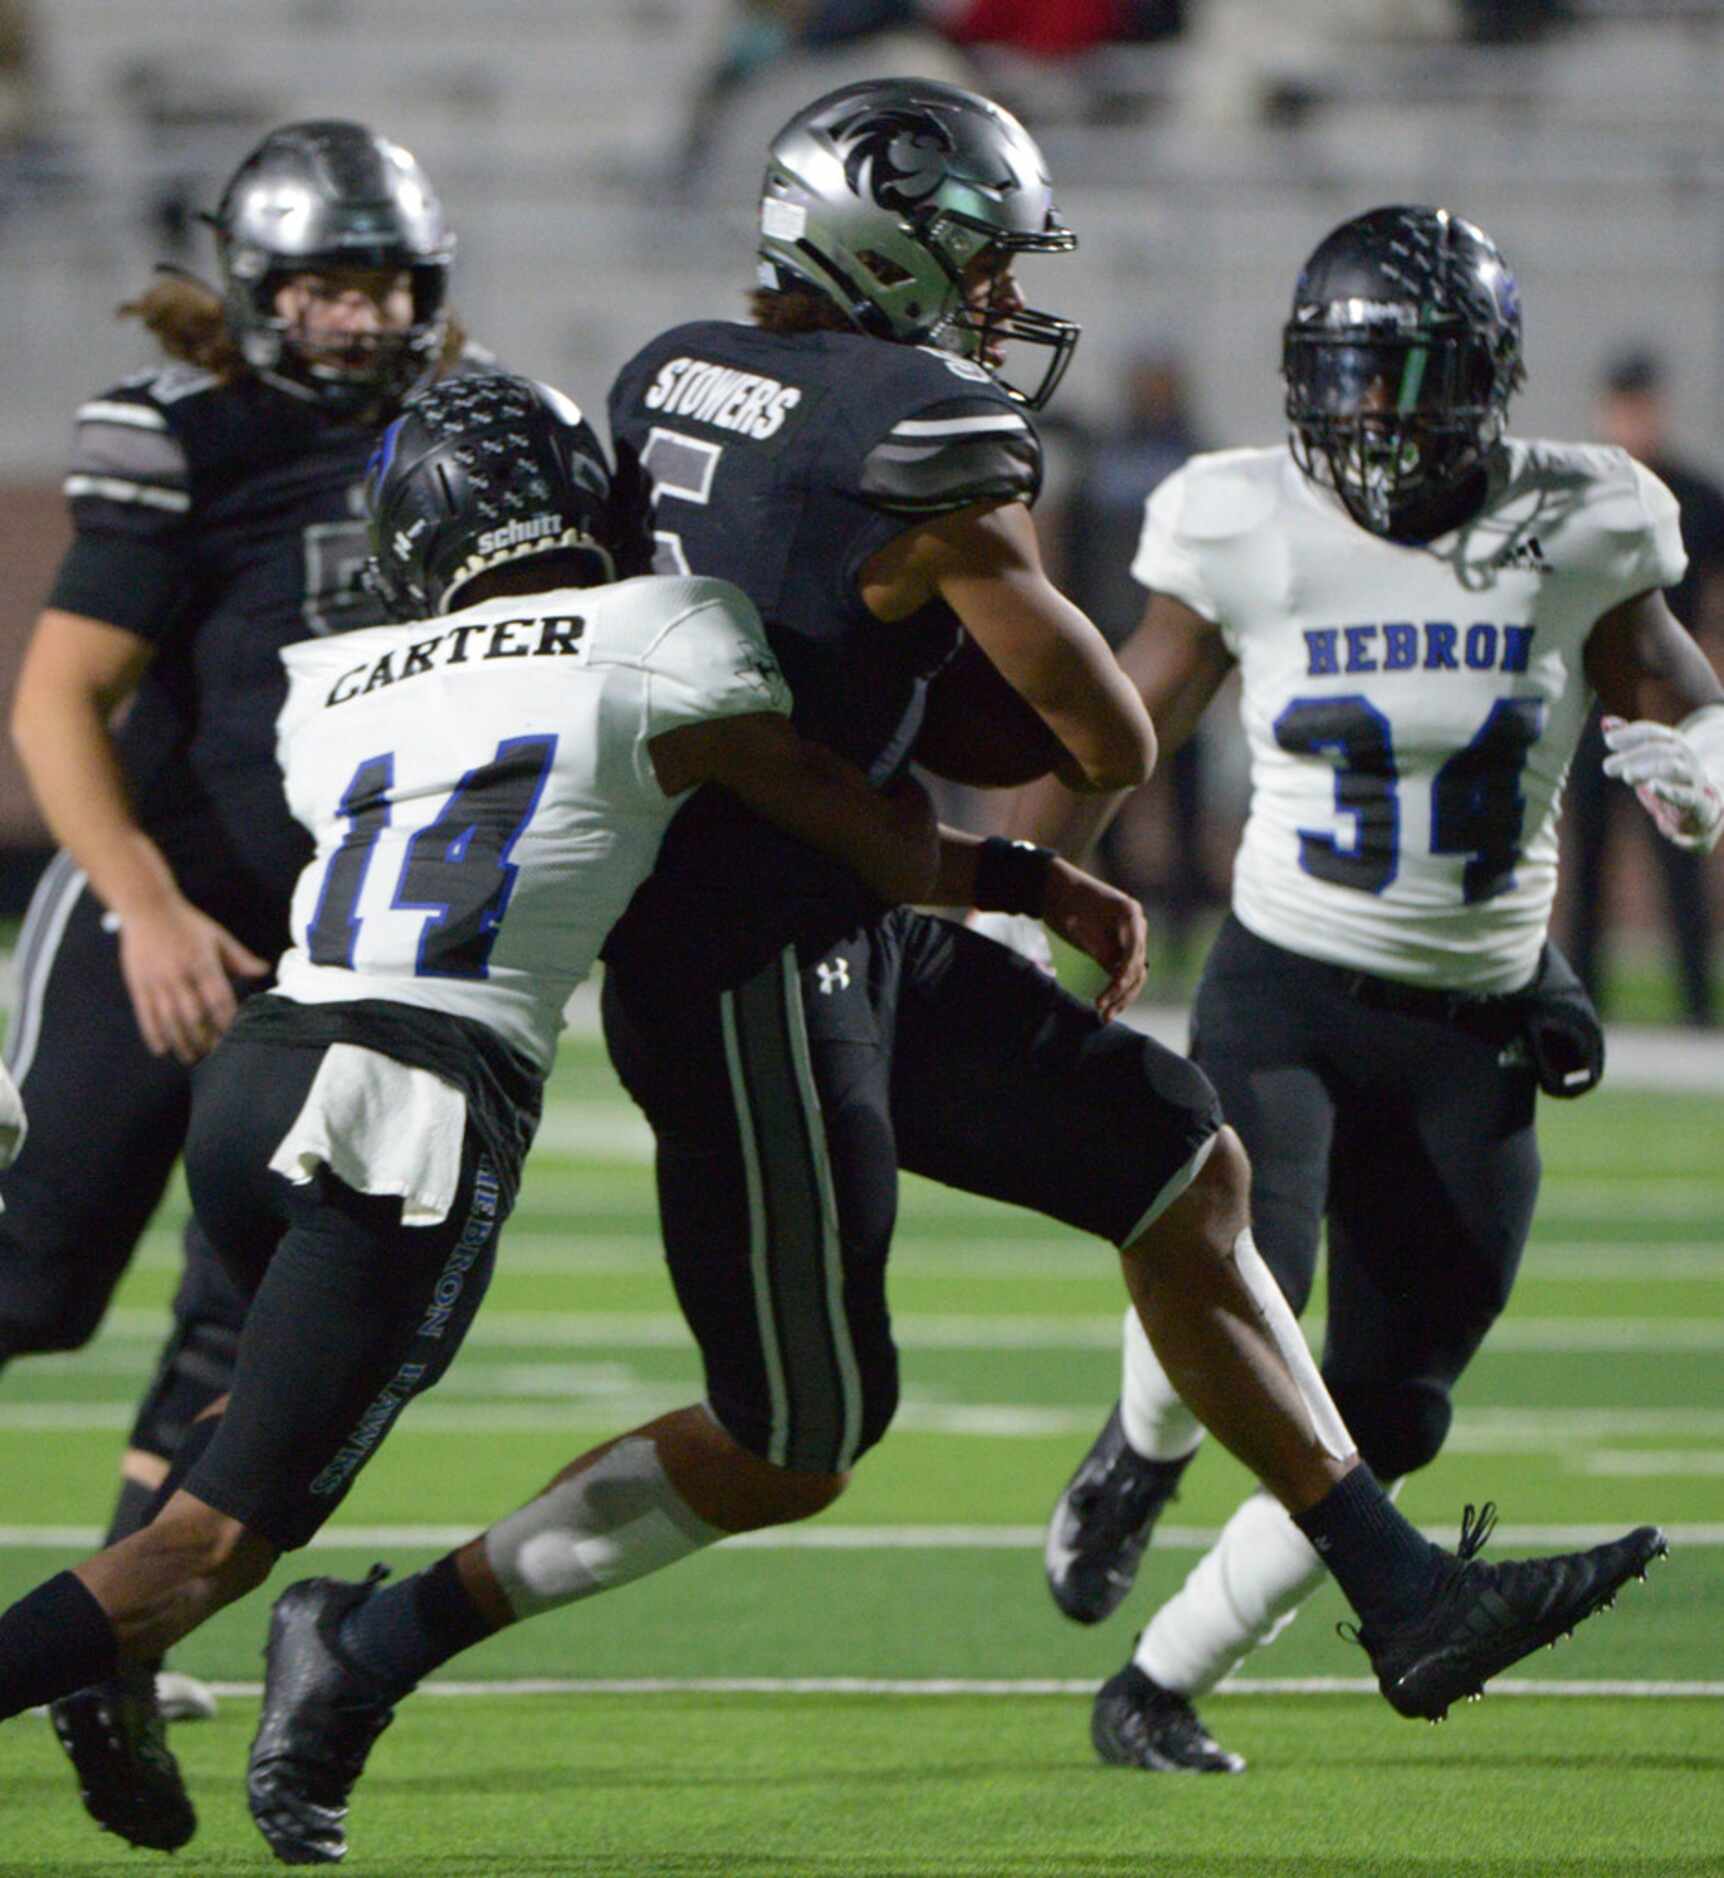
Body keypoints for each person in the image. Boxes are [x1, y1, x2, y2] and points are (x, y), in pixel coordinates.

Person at [240, 95, 1663, 1866]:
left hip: (833, 914)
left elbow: (797, 632)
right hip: (753, 971)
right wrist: (973, 616)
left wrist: (941, 770)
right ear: (886, 243)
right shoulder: (920, 426)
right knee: (802, 1431)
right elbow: (1100, 725)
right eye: (980, 255)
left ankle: (1395, 1595)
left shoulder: (673, 369)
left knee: (1177, 1155)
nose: (995, 297)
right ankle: (364, 1645)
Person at [0, 368, 955, 1856]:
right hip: (414, 1104)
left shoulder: (339, 677)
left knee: (242, 1417)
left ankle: (101, 1647)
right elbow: (879, 844)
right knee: (210, 1550)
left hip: (262, 1074)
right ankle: (96, 1643)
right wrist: (1020, 861)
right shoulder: (664, 633)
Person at [1018, 204, 1713, 1773]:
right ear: (1300, 381)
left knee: (1391, 1413)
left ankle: (1158, 1680)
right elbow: (1126, 727)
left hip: (1473, 1019)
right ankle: (1137, 1450)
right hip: (1291, 982)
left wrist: (1711, 766)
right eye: (1354, 377)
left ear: (1487, 380)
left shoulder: (1584, 518)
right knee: (1240, 1263)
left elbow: (1674, 683)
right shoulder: (1242, 516)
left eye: (1416, 378)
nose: (1383, 417)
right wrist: (999, 900)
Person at [1, 117, 475, 1839]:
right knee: (37, 1276)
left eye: (388, 284)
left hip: (339, 946)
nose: (362, 318)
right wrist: (141, 904)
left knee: (234, 1327)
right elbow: (56, 703)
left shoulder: (471, 440)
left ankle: (104, 1650)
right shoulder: (183, 435)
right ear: (262, 291)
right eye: (329, 286)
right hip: (170, 902)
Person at [1566, 347, 1724, 1027]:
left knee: (1682, 857)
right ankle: (1580, 1008)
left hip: (1670, 704)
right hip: (1595, 707)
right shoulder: (1582, 494)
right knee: (1587, 862)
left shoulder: (1698, 496)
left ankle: (1695, 1008)